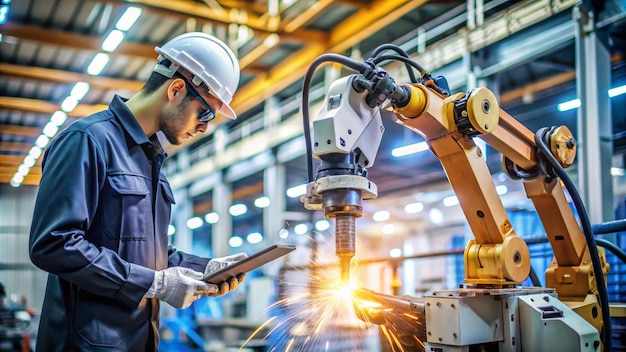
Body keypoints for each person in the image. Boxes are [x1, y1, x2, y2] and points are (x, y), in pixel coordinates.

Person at [29, 32, 248, 351]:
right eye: (206, 113)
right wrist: (154, 284)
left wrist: (205, 268)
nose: (204, 127)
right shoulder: (87, 141)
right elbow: (53, 244)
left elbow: (144, 253)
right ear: (176, 89)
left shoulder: (149, 160)